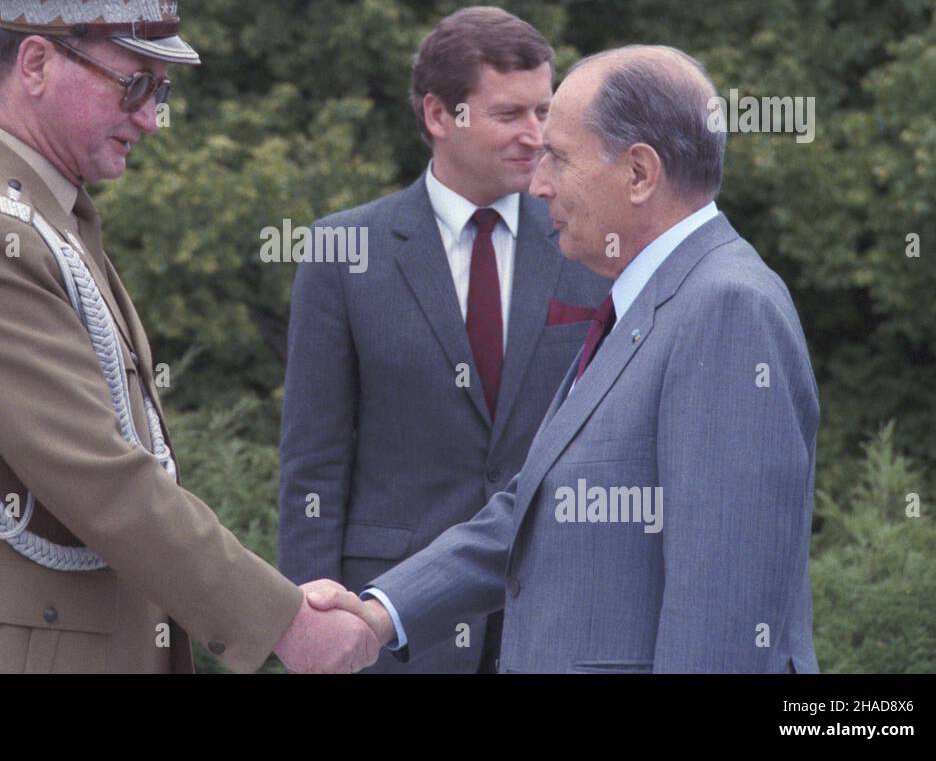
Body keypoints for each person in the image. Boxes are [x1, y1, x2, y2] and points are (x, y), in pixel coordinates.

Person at [0, 0, 375, 674]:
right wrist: (283, 621)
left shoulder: (44, 217)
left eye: (160, 93)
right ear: (35, 64)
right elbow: (100, 475)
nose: (153, 121)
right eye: (136, 86)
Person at [306, 45, 821, 673]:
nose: (536, 181)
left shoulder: (726, 311)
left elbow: (726, 615)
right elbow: (535, 506)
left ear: (639, 173)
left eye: (558, 156)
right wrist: (382, 612)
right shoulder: (645, 301)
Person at [278, 7, 608, 673]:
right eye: (510, 114)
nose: (535, 135)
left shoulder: (590, 247)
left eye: (544, 112)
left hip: (556, 612)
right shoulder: (345, 252)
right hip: (392, 624)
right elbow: (313, 460)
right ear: (439, 115)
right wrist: (310, 630)